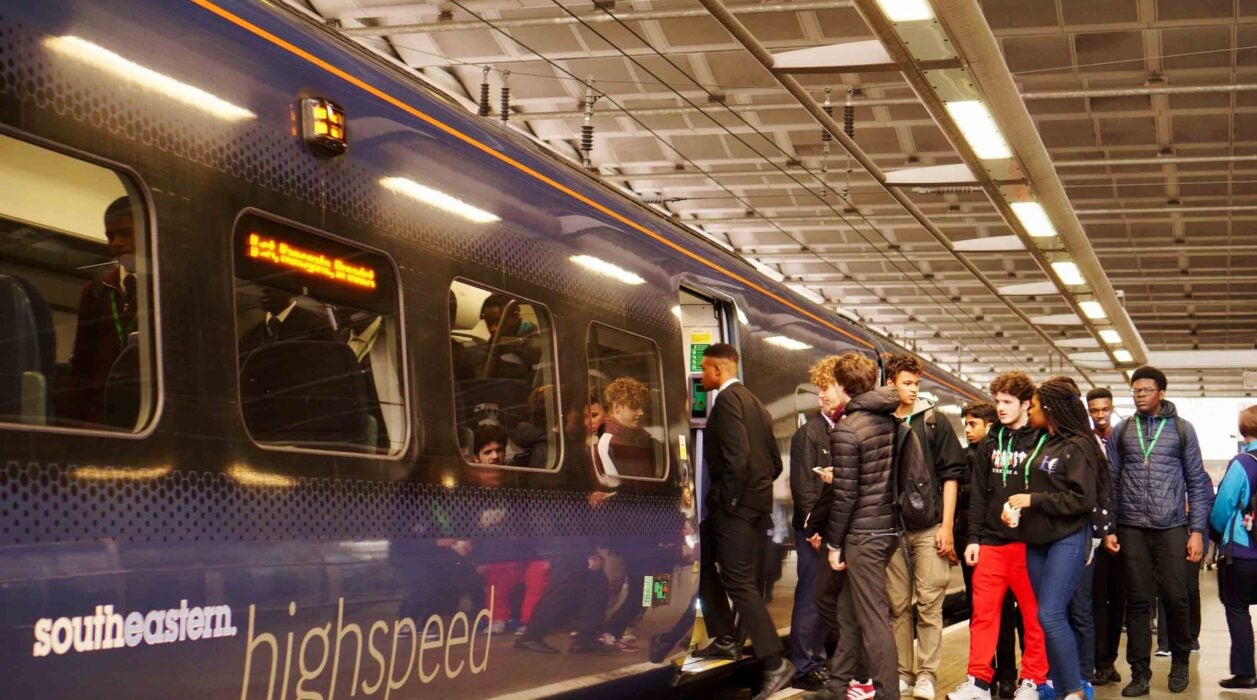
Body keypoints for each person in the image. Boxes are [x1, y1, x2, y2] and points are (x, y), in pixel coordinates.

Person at [692, 343, 794, 700]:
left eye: (704, 369)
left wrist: (731, 499)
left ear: (718, 369)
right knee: (702, 560)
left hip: (734, 508)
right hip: (748, 506)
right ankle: (725, 638)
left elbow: (739, 458)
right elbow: (773, 463)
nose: (701, 375)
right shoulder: (757, 405)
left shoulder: (727, 401)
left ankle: (775, 663)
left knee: (738, 582)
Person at [1106, 366, 1214, 696]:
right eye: (1135, 390)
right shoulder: (1122, 431)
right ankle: (1139, 674)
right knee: (1138, 603)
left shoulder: (1182, 429)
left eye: (1146, 390)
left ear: (1161, 393)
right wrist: (1110, 527)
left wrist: (1197, 531)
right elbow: (1111, 483)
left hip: (1171, 527)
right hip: (1131, 528)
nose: (1139, 395)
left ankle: (1180, 662)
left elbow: (1196, 483)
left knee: (1176, 598)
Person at [950, 371, 1048, 700]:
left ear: (1026, 403)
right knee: (983, 615)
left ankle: (1032, 680)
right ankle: (978, 682)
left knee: (1033, 616)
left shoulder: (1042, 439)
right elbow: (979, 493)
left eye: (1007, 402)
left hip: (1029, 543)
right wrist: (973, 538)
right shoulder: (990, 442)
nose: (1001, 408)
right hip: (991, 542)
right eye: (998, 401)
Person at [1006, 377, 1099, 700]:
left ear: (1049, 408)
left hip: (1067, 538)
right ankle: (1060, 689)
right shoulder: (1046, 442)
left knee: (1051, 614)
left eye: (1033, 405)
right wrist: (1016, 508)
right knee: (1044, 617)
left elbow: (1082, 499)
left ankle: (1075, 690)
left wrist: (1034, 500)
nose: (1029, 410)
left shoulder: (1079, 446)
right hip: (1038, 540)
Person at [883, 354, 967, 700]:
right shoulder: (880, 421)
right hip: (892, 529)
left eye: (917, 383)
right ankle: (904, 672)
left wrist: (946, 526)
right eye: (907, 383)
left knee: (930, 604)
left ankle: (928, 674)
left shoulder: (934, 421)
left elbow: (951, 477)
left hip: (929, 527)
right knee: (897, 605)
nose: (914, 389)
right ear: (890, 383)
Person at [819, 352, 901, 700]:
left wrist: (834, 544)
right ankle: (837, 686)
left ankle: (887, 694)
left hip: (863, 535)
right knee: (849, 611)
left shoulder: (847, 429)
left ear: (841, 385)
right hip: (888, 529)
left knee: (873, 619)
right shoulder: (890, 421)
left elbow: (845, 495)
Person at [788, 356, 842, 691]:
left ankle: (818, 658)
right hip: (814, 530)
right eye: (819, 388)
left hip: (837, 527)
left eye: (827, 388)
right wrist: (813, 529)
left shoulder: (847, 429)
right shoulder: (808, 434)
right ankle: (804, 663)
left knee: (826, 597)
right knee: (811, 595)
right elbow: (803, 487)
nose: (820, 395)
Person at [66, 196, 140, 425]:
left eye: (126, 233)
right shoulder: (96, 290)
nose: (116, 243)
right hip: (100, 419)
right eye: (110, 236)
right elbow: (82, 367)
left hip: (149, 416)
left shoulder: (168, 290)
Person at [1209, 405, 1257, 690]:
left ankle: (1245, 672)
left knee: (1237, 608)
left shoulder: (1243, 462)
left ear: (1243, 429)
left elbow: (1223, 506)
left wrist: (1215, 535)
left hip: (1243, 552)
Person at [1086, 387, 1125, 687]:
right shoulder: (1086, 442)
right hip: (1096, 532)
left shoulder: (1123, 438)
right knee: (1098, 600)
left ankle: (1109, 660)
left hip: (1124, 528)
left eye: (1104, 409)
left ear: (1112, 408)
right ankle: (1099, 662)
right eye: (1094, 410)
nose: (1100, 415)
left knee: (1119, 599)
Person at [237, 287, 334, 356]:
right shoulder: (250, 336)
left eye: (271, 287)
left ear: (290, 291)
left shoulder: (317, 325)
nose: (263, 293)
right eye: (261, 289)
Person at [594, 377, 658, 479]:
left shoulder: (645, 440)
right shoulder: (607, 444)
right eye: (634, 406)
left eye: (641, 406)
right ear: (617, 408)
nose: (641, 412)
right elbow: (617, 485)